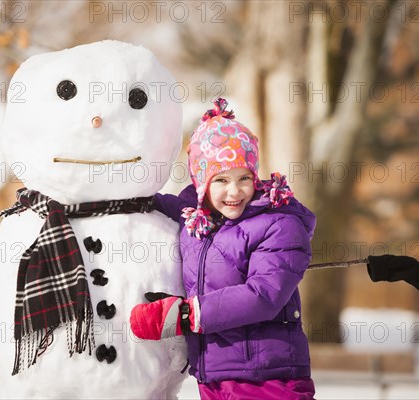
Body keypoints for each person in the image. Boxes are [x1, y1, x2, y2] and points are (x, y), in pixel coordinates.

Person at [130, 98, 317, 400]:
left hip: (267, 378)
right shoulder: (196, 218)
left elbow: (264, 294)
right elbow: (149, 202)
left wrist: (187, 315)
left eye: (244, 178)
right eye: (221, 180)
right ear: (201, 184)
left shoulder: (279, 225)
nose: (234, 191)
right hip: (213, 378)